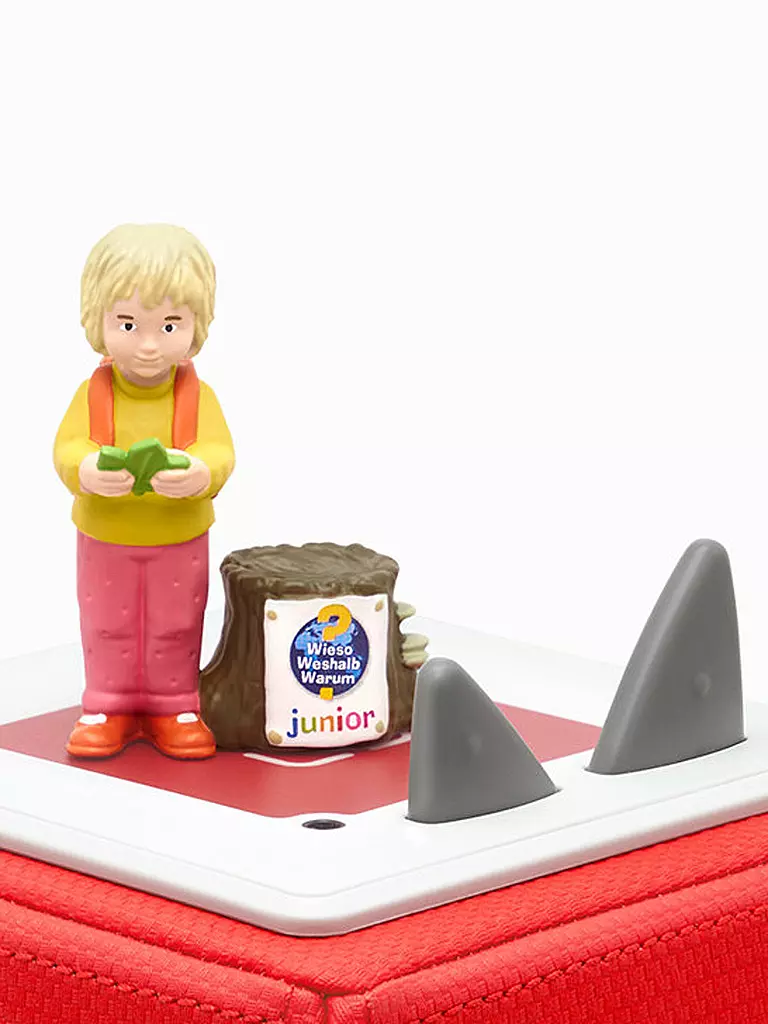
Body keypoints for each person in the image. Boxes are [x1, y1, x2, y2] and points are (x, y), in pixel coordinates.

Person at [53, 223, 235, 759]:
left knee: (175, 623)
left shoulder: (199, 397)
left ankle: (174, 703)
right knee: (108, 622)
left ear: (196, 325)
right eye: (128, 324)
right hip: (105, 537)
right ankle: (106, 703)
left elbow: (219, 451)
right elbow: (67, 448)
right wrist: (86, 469)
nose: (149, 345)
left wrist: (201, 473)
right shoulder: (93, 394)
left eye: (170, 325)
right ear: (100, 321)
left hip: (179, 538)